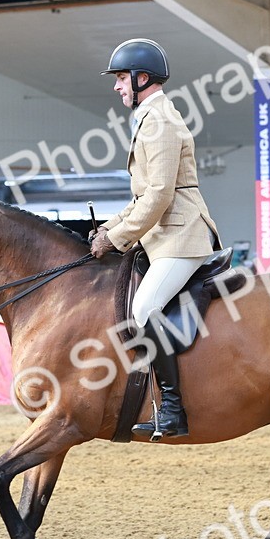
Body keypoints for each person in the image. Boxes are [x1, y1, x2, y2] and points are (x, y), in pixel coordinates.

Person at [88, 38, 220, 440]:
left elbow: (160, 196)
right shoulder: (147, 117)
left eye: (120, 79)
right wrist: (110, 228)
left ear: (141, 78)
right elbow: (142, 197)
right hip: (163, 235)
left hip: (181, 237)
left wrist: (118, 239)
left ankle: (173, 410)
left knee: (143, 309)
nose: (116, 87)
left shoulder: (160, 120)